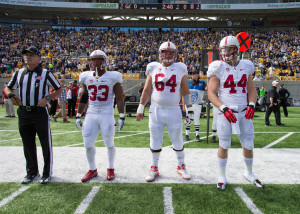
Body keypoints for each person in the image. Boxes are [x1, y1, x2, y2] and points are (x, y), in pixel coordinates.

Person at [207, 36, 264, 190]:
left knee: (248, 144)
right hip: (226, 112)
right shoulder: (217, 67)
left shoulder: (246, 66)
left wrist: (252, 104)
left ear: (236, 50)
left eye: (228, 49)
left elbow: (251, 89)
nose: (224, 53)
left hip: (244, 111)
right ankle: (222, 175)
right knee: (224, 144)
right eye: (223, 49)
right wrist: (223, 108)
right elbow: (211, 93)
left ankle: (249, 173)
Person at [136, 41, 193, 182]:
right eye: (165, 52)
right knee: (155, 139)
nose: (168, 55)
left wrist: (189, 109)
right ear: (160, 54)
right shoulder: (153, 67)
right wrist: (140, 107)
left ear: (175, 54)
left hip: (174, 110)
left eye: (171, 52)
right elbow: (147, 89)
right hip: (156, 110)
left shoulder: (180, 68)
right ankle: (154, 167)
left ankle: (181, 166)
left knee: (178, 140)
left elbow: (185, 91)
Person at [5, 46, 62, 184]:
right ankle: (31, 172)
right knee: (27, 144)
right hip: (24, 112)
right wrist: (11, 94)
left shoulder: (45, 73)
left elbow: (59, 89)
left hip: (39, 113)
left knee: (45, 143)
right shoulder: (19, 73)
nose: (27, 57)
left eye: (31, 55)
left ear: (39, 58)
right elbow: (8, 87)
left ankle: (47, 173)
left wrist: (48, 98)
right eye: (25, 55)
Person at [75, 50, 125, 182]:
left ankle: (110, 168)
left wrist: (121, 116)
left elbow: (119, 98)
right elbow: (84, 96)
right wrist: (78, 115)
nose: (96, 62)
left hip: (106, 113)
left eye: (99, 59)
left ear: (105, 61)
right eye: (93, 59)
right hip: (91, 113)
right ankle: (92, 170)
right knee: (87, 143)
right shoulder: (85, 76)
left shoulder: (113, 76)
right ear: (90, 61)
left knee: (109, 143)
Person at [183, 71, 206, 142]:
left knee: (196, 119)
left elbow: (207, 89)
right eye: (192, 74)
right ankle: (187, 135)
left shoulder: (202, 82)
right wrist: (183, 105)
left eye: (195, 74)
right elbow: (184, 94)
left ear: (198, 75)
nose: (193, 76)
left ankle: (197, 135)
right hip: (189, 104)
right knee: (188, 119)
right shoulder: (188, 82)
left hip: (198, 104)